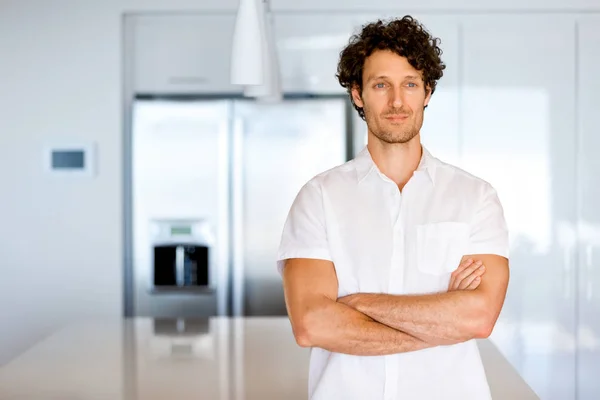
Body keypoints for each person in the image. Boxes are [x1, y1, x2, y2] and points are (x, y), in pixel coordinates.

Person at [276, 15, 510, 400]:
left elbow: (478, 318)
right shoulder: (318, 198)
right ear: (357, 93)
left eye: (410, 84)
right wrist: (440, 325)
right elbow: (313, 325)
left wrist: (358, 304)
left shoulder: (476, 198)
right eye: (381, 85)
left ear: (427, 92)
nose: (397, 101)